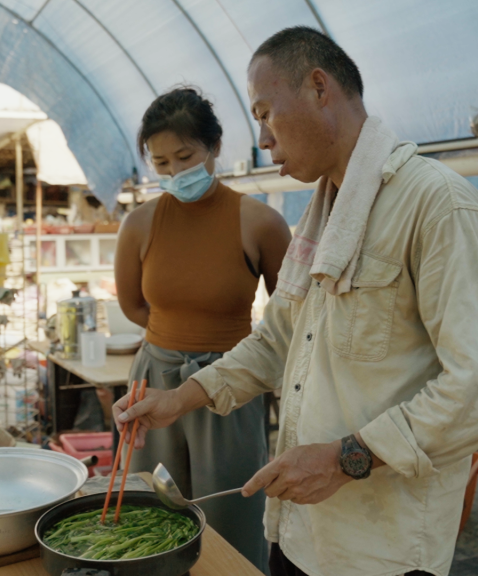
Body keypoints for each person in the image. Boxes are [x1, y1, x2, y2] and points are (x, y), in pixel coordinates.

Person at [115, 27, 478, 576]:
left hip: (378, 545)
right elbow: (279, 336)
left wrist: (346, 459)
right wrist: (182, 397)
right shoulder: (323, 212)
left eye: (265, 113)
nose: (263, 139)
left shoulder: (437, 205)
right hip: (302, 528)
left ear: (318, 88)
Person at [114, 86, 291, 571]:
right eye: (161, 162)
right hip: (153, 379)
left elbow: (291, 318)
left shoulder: (260, 223)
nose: (174, 172)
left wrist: (211, 351)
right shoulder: (139, 224)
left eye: (185, 156)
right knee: (151, 514)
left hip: (230, 386)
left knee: (231, 514)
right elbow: (132, 304)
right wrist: (177, 338)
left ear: (215, 146)